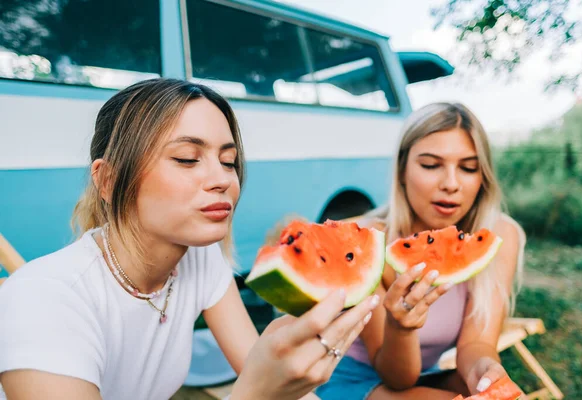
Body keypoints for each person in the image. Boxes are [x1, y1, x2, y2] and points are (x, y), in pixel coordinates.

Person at [0, 78, 379, 400]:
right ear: (109, 181)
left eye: (229, 161)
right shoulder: (43, 298)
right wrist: (254, 393)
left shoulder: (199, 258)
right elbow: (257, 384)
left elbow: (257, 363)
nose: (223, 180)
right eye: (186, 158)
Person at [315, 103, 525, 400]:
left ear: (483, 176)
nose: (451, 184)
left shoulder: (501, 235)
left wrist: (485, 369)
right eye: (430, 165)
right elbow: (397, 378)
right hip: (351, 381)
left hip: (426, 376)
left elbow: (475, 344)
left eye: (468, 168)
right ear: (402, 170)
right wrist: (400, 328)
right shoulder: (366, 242)